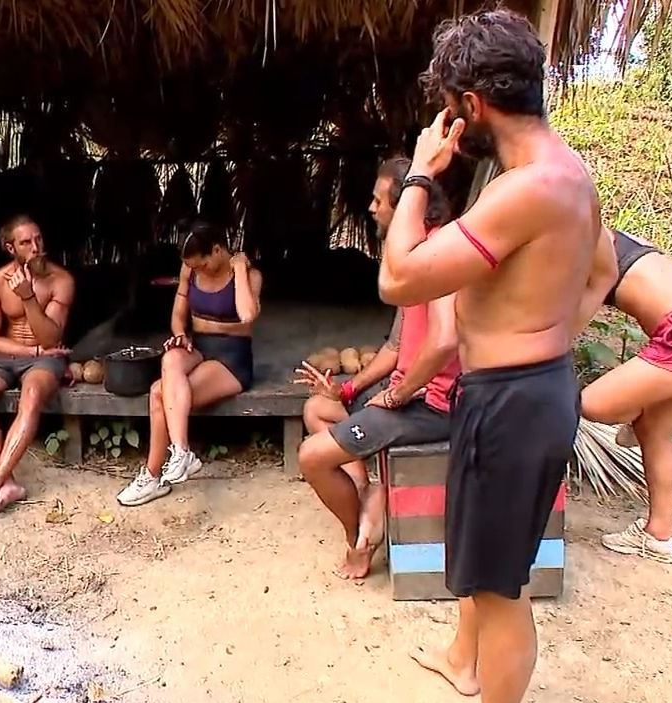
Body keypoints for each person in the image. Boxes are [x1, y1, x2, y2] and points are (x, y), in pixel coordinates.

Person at [376, 10, 608, 703]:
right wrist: (545, 336)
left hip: (512, 403)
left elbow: (399, 277)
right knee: (489, 564)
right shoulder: (571, 175)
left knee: (503, 590)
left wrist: (420, 174)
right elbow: (601, 273)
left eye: (451, 106)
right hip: (530, 391)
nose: (449, 120)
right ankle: (460, 659)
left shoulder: (526, 189)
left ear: (472, 106)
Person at [294, 157, 460, 580]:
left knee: (312, 457)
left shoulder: (442, 254)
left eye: (378, 199)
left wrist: (398, 394)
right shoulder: (414, 256)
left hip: (432, 406)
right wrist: (348, 390)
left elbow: (445, 342)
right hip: (408, 395)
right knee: (318, 408)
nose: (371, 207)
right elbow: (396, 345)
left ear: (408, 206)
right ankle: (369, 493)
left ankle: (359, 540)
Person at [116, 221, 263, 507]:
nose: (198, 271)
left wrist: (240, 269)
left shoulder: (249, 274)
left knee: (159, 393)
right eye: (193, 266)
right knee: (171, 357)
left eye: (202, 264)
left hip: (232, 358)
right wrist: (180, 334)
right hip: (199, 346)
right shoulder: (190, 270)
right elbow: (178, 314)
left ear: (218, 250)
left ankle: (154, 474)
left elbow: (247, 315)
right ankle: (180, 452)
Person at [577, 227, 672, 564]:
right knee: (654, 430)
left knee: (591, 404)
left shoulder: (580, 233)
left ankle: (633, 407)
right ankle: (659, 536)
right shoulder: (597, 231)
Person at [0, 215, 75, 517]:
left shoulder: (60, 280)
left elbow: (50, 338)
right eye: (26, 242)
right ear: (10, 247)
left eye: (38, 239)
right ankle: (9, 482)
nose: (36, 247)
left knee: (32, 394)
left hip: (46, 358)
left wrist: (28, 297)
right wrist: (29, 350)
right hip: (6, 355)